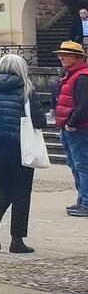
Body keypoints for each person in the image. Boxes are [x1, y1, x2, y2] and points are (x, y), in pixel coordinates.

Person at [0, 54, 44, 254]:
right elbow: (40, 120)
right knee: (22, 192)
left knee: (3, 185)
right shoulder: (26, 89)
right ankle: (17, 240)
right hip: (19, 146)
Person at [53, 40, 88, 217]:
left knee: (82, 166)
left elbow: (82, 105)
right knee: (76, 165)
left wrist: (71, 123)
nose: (61, 58)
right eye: (61, 54)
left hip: (78, 129)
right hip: (70, 127)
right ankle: (82, 200)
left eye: (65, 54)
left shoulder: (81, 76)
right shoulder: (72, 75)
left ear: (77, 57)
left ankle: (86, 203)